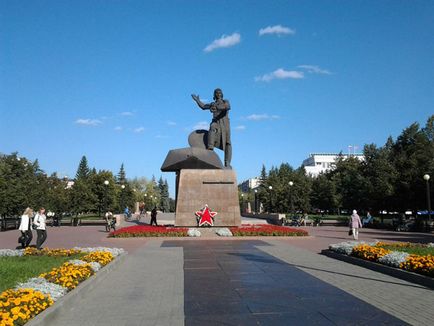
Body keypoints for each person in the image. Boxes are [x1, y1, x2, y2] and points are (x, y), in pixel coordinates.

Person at [191, 88, 232, 168]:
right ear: (214, 95)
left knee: (228, 143)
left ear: (222, 94)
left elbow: (227, 106)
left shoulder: (225, 101)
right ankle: (210, 149)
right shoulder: (213, 104)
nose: (218, 94)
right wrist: (197, 100)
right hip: (216, 122)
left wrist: (217, 108)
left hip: (225, 124)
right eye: (216, 93)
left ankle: (227, 163)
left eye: (220, 92)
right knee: (212, 126)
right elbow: (203, 106)